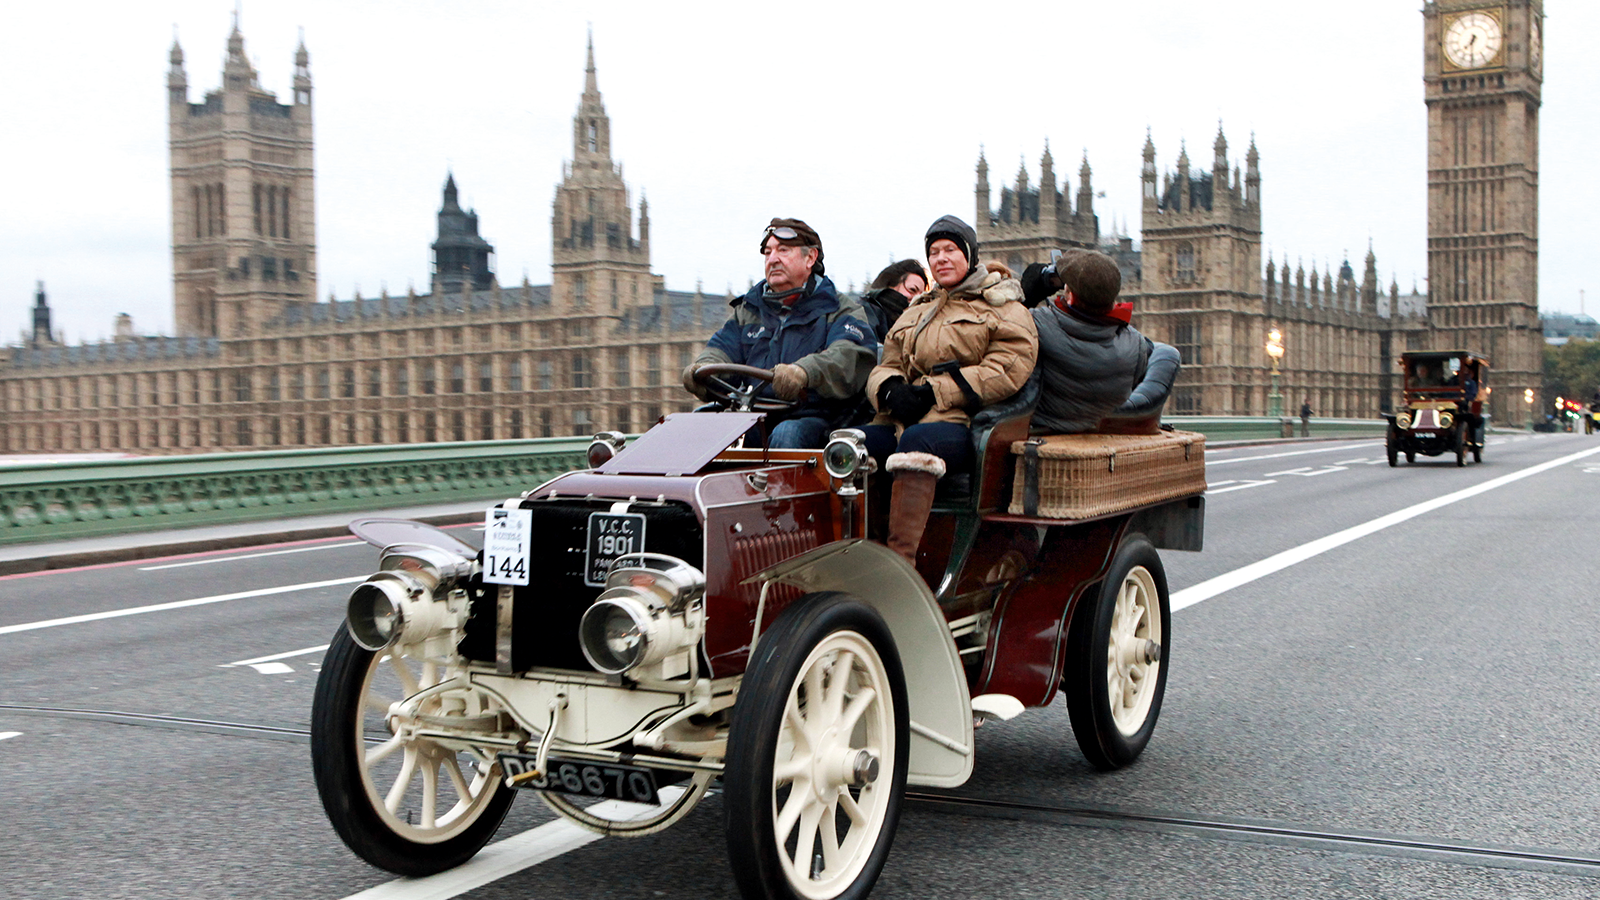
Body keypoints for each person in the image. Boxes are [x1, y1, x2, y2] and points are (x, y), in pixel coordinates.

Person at [862, 215, 1038, 564]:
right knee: (851, 442)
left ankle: (901, 564)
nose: (940, 258)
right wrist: (889, 389)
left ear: (970, 256)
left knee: (918, 443)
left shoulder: (1004, 307)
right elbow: (887, 362)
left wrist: (935, 391)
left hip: (963, 424)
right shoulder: (918, 309)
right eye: (934, 252)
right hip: (902, 419)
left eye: (950, 250)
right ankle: (859, 553)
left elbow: (1006, 369)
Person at [683, 218, 877, 448]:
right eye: (767, 252)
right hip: (754, 415)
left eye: (783, 250)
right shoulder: (748, 311)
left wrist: (804, 372)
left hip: (818, 418)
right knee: (697, 428)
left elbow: (847, 356)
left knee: (788, 433)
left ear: (810, 258)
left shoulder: (840, 310)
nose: (772, 259)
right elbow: (722, 349)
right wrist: (702, 369)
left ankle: (776, 486)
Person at [1025, 248, 1152, 435]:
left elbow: (1005, 331)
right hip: (1104, 435)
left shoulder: (1037, 324)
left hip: (1046, 434)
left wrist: (1029, 294)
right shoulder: (1136, 343)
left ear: (1071, 296)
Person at [859, 260, 927, 345]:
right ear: (890, 286)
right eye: (912, 290)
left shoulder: (914, 325)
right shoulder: (866, 312)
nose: (917, 298)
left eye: (922, 296)